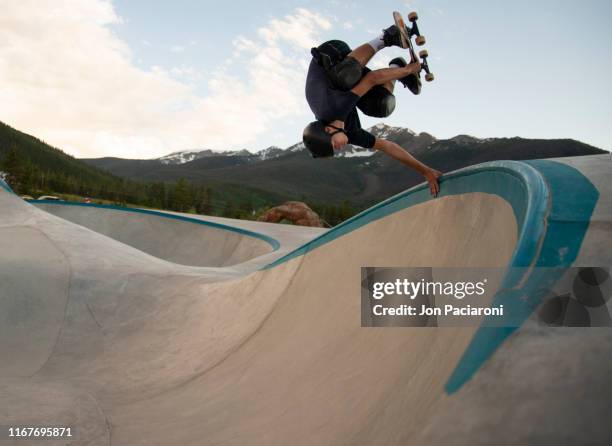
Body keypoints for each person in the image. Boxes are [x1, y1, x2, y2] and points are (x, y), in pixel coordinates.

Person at [303, 24, 442, 197]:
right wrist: (426, 172)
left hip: (330, 54)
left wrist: (408, 70)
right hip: (347, 80)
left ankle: (386, 38)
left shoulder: (331, 107)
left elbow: (372, 78)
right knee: (381, 105)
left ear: (328, 130)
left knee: (345, 77)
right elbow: (387, 146)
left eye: (334, 145)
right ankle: (395, 65)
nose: (340, 148)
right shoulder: (351, 133)